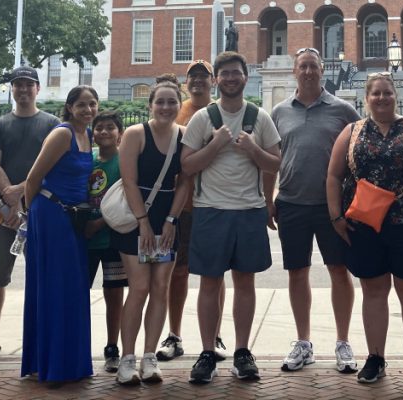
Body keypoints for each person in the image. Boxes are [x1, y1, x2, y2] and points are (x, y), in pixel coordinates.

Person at [326, 72, 403, 389]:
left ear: (396, 96)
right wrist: (336, 216)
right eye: (376, 93)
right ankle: (375, 358)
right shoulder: (351, 132)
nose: (382, 98)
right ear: (366, 98)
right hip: (365, 225)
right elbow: (333, 176)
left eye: (387, 93)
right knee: (373, 292)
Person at [181, 51, 281, 384]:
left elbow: (275, 164)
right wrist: (216, 144)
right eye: (224, 74)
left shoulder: (260, 117)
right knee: (209, 283)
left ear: (245, 77)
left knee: (245, 282)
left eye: (236, 72)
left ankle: (241, 351)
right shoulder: (202, 118)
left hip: (249, 210)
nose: (230, 78)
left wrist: (252, 149)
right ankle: (208, 351)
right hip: (210, 210)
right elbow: (187, 165)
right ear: (216, 80)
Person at [268, 47, 360, 373]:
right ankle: (303, 342)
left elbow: (358, 154)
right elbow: (272, 159)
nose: (308, 72)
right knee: (297, 272)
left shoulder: (343, 110)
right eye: (302, 66)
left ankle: (343, 342)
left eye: (313, 66)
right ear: (294, 71)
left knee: (338, 270)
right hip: (291, 202)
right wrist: (269, 199)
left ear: (322, 71)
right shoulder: (279, 112)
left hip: (331, 206)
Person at [0, 66, 58, 361]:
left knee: (43, 276)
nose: (23, 90)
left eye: (28, 84)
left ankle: (42, 334)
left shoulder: (52, 123)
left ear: (38, 89)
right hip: (3, 214)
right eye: (17, 85)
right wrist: (10, 195)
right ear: (12, 89)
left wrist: (21, 190)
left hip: (41, 211)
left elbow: (53, 165)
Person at [113, 81, 193, 385]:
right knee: (140, 287)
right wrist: (143, 222)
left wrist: (171, 220)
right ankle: (127, 358)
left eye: (172, 102)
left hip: (167, 220)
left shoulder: (183, 136)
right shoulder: (135, 135)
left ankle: (149, 357)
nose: (166, 107)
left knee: (161, 287)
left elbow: (185, 181)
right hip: (138, 218)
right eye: (160, 102)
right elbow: (129, 181)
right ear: (150, 105)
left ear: (178, 105)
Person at [20, 85, 98, 385]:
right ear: (69, 107)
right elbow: (32, 179)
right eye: (81, 105)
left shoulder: (87, 135)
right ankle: (49, 365)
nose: (88, 110)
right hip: (51, 214)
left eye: (92, 104)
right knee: (53, 287)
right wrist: (32, 219)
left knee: (72, 289)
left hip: (73, 219)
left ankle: (70, 362)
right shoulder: (62, 134)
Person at [158, 60, 229, 363]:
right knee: (178, 272)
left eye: (203, 76)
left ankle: (214, 336)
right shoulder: (177, 110)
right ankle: (174, 334)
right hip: (182, 206)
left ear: (212, 81)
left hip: (213, 204)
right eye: (193, 77)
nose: (198, 81)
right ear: (186, 82)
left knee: (215, 274)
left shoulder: (221, 112)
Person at [84, 111, 128, 373]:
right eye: (98, 128)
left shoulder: (124, 161)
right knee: (79, 293)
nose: (103, 132)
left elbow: (127, 200)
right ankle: (79, 345)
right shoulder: (87, 160)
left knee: (114, 294)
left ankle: (112, 346)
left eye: (109, 128)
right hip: (86, 241)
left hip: (113, 240)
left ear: (119, 132)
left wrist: (99, 223)